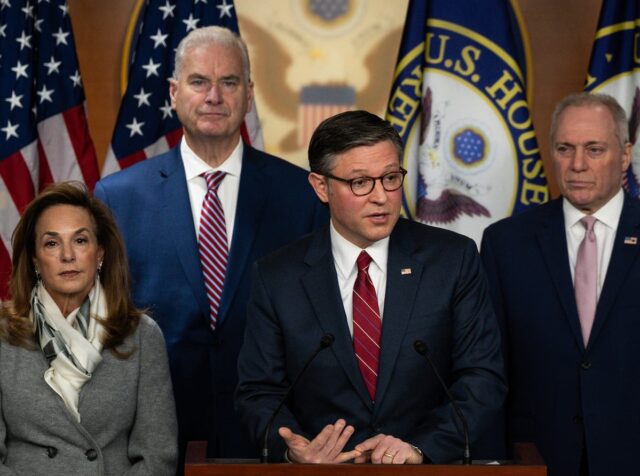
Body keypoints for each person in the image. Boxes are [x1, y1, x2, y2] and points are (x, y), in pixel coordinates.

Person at [94, 25, 328, 464]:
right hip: (153, 432)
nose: (214, 96)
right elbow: (104, 324)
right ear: (174, 92)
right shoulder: (118, 198)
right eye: (199, 82)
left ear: (249, 94)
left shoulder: (301, 194)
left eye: (229, 82)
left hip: (274, 435)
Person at [236, 110, 506, 464]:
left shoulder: (452, 260)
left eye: (390, 178)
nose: (381, 197)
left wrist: (422, 448)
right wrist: (293, 448)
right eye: (360, 182)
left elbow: (481, 378)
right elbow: (259, 392)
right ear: (321, 187)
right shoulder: (278, 277)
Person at [481, 92, 639, 476]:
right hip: (538, 458)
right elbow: (488, 367)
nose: (578, 164)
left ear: (625, 155)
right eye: (565, 149)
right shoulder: (506, 243)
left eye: (594, 149)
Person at [0, 182, 177, 475]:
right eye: (52, 243)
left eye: (80, 240)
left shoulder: (142, 335)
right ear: (35, 260)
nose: (68, 255)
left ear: (100, 253)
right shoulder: (3, 334)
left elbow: (157, 456)